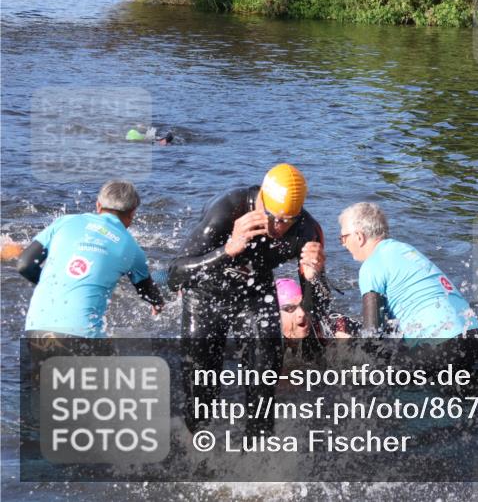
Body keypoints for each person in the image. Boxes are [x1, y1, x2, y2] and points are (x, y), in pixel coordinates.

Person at [168, 163, 331, 435]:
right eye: (272, 218)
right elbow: (176, 274)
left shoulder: (306, 230)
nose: (278, 227)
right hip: (207, 294)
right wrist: (228, 251)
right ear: (260, 203)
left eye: (287, 220)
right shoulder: (227, 209)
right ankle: (195, 447)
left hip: (255, 293)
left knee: (263, 379)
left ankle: (258, 455)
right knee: (202, 388)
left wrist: (315, 277)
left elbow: (317, 310)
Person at [338, 202, 478, 368]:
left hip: (442, 344)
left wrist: (349, 343)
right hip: (473, 336)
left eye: (343, 238)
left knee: (374, 371)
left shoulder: (371, 265)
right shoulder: (405, 250)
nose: (343, 245)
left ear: (359, 236)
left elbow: (372, 338)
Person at [16, 180, 165, 338]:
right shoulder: (132, 248)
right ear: (132, 213)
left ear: (98, 205)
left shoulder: (63, 222)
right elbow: (146, 291)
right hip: (83, 337)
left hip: (36, 331)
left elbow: (24, 265)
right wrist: (158, 302)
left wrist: (61, 286)